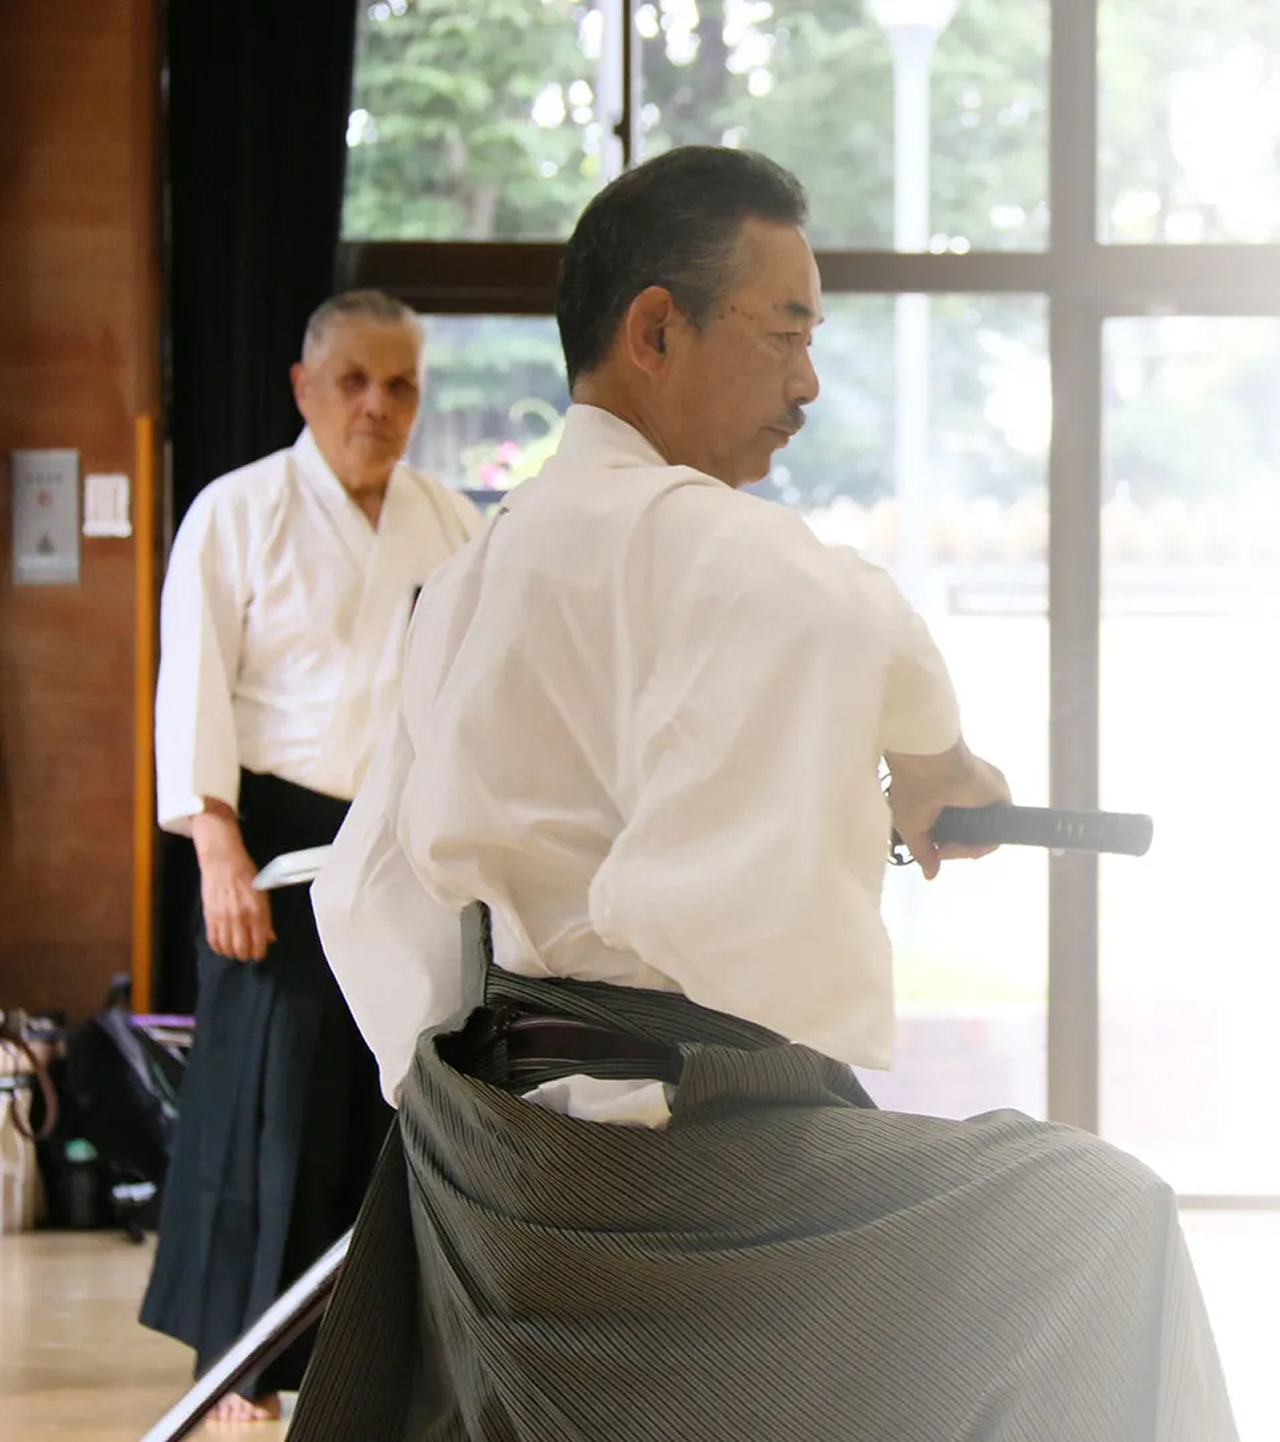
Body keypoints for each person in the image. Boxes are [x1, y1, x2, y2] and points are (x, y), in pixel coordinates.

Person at [298, 152, 1237, 1440]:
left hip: (502, 1175)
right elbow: (858, 627)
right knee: (1093, 1218)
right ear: (653, 331)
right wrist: (933, 765)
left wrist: (491, 1129)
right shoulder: (701, 538)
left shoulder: (470, 574)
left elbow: (372, 897)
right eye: (786, 330)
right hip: (671, 1183)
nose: (805, 382)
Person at [140, 290, 483, 1424]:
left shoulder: (453, 522)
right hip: (275, 833)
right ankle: (240, 1368)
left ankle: (372, 1359)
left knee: (384, 1092)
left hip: (403, 836)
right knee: (267, 1102)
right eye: (353, 381)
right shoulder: (236, 513)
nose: (377, 407)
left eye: (400, 386)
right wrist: (216, 847)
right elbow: (192, 683)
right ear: (304, 386)